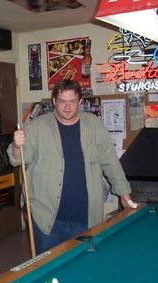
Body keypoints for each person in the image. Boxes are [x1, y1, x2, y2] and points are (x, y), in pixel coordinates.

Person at [7, 79, 135, 254]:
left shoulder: (94, 125)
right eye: (62, 101)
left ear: (80, 102)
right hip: (46, 218)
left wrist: (124, 193)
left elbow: (110, 161)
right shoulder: (37, 127)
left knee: (85, 270)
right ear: (54, 102)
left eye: (72, 101)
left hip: (86, 218)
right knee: (47, 269)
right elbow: (18, 159)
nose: (67, 107)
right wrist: (16, 146)